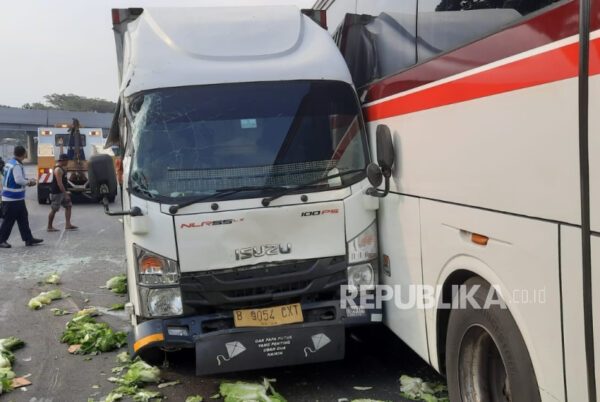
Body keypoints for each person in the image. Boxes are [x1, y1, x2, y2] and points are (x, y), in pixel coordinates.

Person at [0, 146, 43, 248]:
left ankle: (28, 239)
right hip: (12, 198)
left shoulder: (10, 163)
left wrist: (26, 180)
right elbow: (18, 180)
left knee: (23, 218)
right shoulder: (16, 166)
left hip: (15, 198)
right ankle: (1, 240)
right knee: (8, 221)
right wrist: (29, 182)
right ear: (23, 154)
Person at [47, 154, 78, 232]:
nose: (68, 162)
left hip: (62, 192)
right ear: (63, 161)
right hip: (57, 193)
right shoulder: (58, 170)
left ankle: (68, 224)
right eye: (67, 161)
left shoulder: (62, 168)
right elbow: (59, 184)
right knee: (54, 209)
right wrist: (66, 194)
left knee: (68, 206)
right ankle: (49, 226)